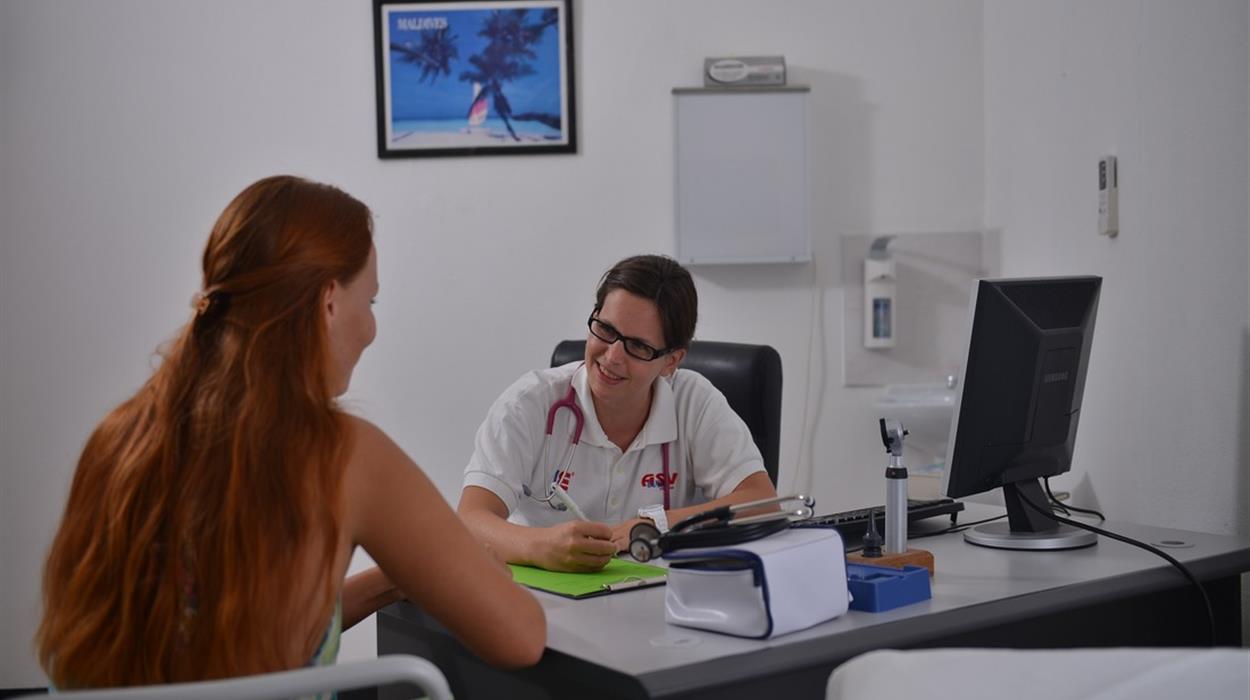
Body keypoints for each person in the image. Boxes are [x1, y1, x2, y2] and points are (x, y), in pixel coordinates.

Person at [37, 175, 545, 689]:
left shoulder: (119, 439)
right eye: (369, 302)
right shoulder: (343, 454)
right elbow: (519, 638)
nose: (371, 329)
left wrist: (394, 580)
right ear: (329, 302)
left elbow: (244, 648)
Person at [458, 254, 778, 572]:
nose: (612, 356)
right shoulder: (528, 403)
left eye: (637, 346)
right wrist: (539, 546)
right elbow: (470, 520)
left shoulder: (695, 402)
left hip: (659, 594)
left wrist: (656, 524)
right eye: (606, 330)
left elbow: (762, 502)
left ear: (670, 361)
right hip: (543, 596)